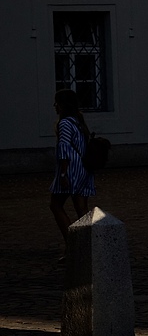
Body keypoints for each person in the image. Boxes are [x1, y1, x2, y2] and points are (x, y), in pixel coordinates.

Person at [49, 89, 94, 261]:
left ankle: (74, 246)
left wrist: (62, 173)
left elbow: (64, 148)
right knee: (81, 209)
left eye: (57, 103)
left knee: (55, 205)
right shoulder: (79, 122)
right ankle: (88, 246)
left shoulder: (65, 123)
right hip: (84, 169)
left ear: (62, 105)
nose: (55, 107)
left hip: (71, 170)